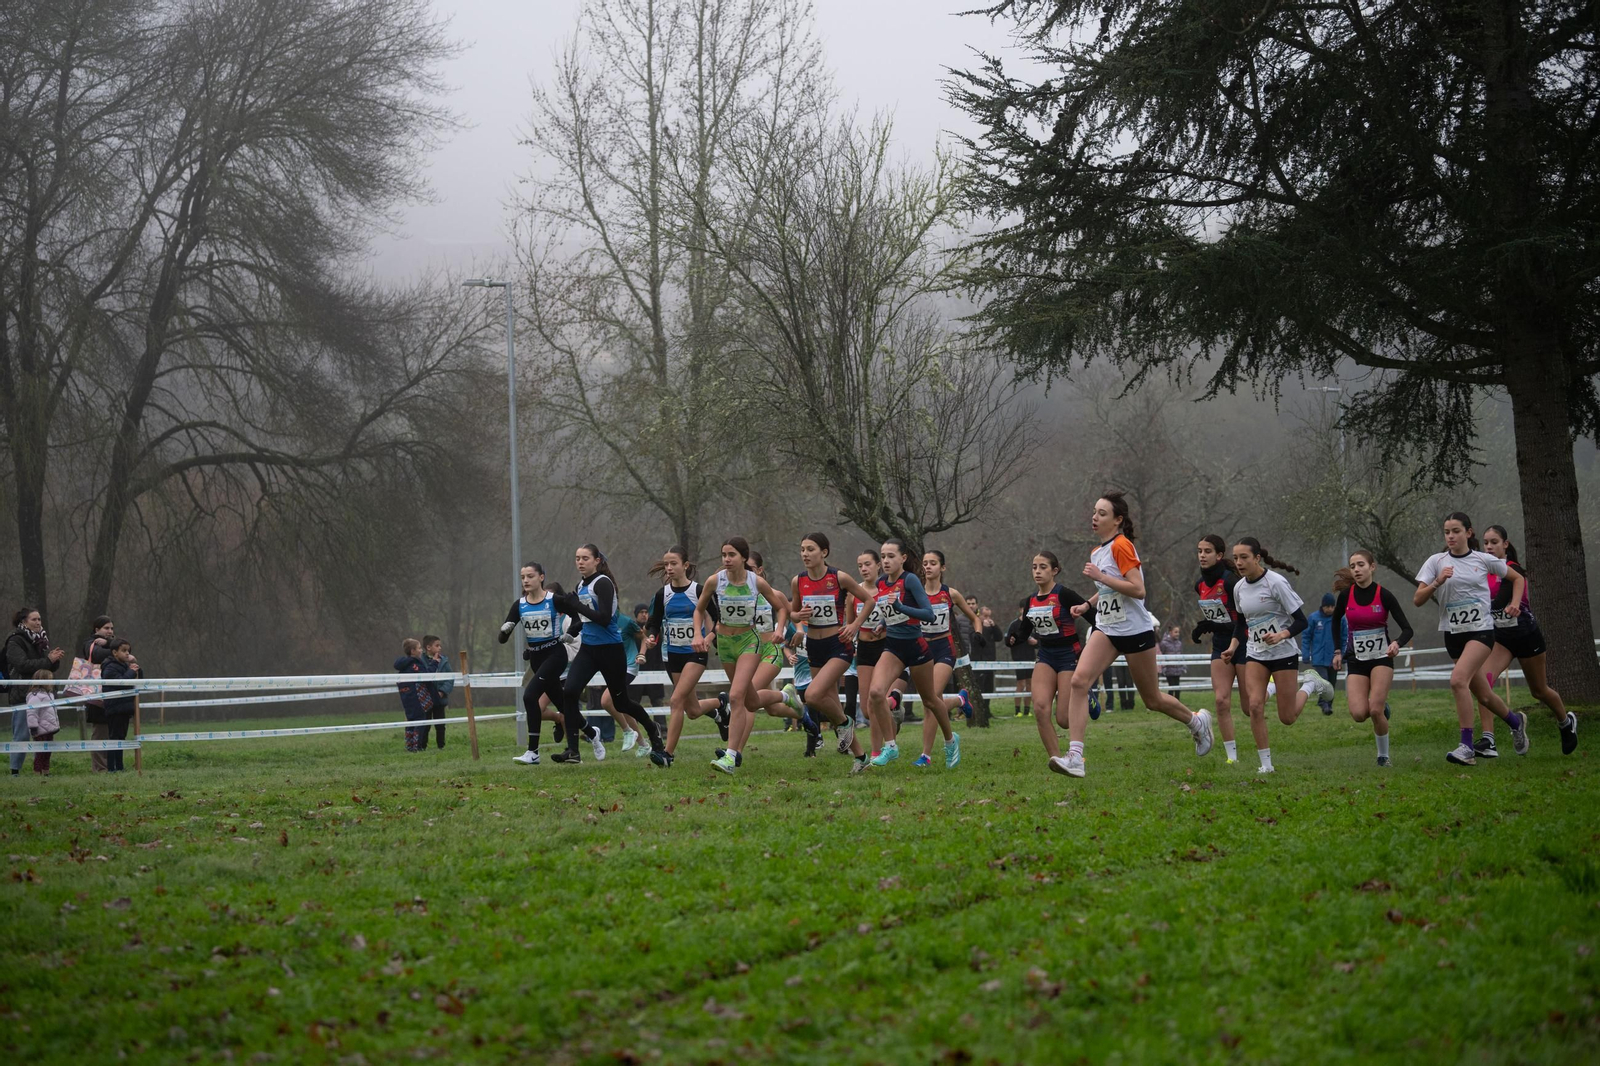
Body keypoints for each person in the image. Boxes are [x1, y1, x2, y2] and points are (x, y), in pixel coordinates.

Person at [1062, 493, 1215, 778]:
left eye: (1102, 513)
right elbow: (1109, 588)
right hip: (1107, 628)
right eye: (1094, 512)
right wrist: (1088, 604)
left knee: (1152, 700)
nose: (1095, 517)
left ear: (1118, 520)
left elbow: (1137, 589)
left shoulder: (1122, 545)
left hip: (1135, 631)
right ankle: (1075, 757)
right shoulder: (1097, 552)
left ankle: (1196, 722)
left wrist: (1101, 576)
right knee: (1079, 681)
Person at [1414, 512, 1529, 766]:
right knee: (1484, 695)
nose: (1451, 536)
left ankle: (1466, 747)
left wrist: (1514, 603)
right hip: (1453, 634)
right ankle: (1515, 722)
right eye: (1447, 532)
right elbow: (1418, 599)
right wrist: (1437, 582)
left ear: (1469, 533)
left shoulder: (1483, 559)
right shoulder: (1436, 561)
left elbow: (1518, 577)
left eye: (1456, 531)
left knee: (1457, 681)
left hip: (1481, 631)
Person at [1222, 538, 1332, 774]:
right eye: (1236, 558)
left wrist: (1281, 635)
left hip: (1283, 654)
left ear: (1257, 558)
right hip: (1256, 653)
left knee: (1288, 717)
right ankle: (1266, 765)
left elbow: (1301, 621)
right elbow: (1241, 623)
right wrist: (1232, 647)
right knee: (1254, 706)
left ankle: (1311, 684)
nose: (1239, 562)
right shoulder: (1238, 587)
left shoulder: (1276, 583)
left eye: (1244, 557)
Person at [552, 544, 668, 765]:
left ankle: (653, 730)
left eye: (585, 558)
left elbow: (605, 618)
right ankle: (573, 751)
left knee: (621, 702)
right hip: (588, 649)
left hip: (610, 649)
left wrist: (577, 605)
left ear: (597, 561)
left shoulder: (603, 583)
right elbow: (584, 618)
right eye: (577, 558)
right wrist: (572, 630)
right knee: (570, 692)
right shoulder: (581, 585)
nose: (580, 562)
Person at [692, 537, 794, 774]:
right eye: (723, 555)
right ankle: (785, 696)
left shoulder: (755, 582)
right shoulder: (714, 581)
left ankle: (731, 756)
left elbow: (780, 607)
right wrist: (698, 633)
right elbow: (699, 609)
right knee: (751, 701)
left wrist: (780, 630)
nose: (726, 559)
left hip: (750, 641)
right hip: (726, 644)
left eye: (731, 555)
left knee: (736, 696)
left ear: (743, 558)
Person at [1473, 525, 1578, 756]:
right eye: (1486, 543)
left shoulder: (1512, 569)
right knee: (1484, 684)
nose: (1489, 547)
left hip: (1526, 636)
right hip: (1502, 638)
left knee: (1539, 691)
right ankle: (1489, 739)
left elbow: (1499, 600)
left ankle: (1565, 722)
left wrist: (1498, 607)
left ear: (1505, 545)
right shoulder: (1482, 571)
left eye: (1494, 542)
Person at [866, 539, 963, 769]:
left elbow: (928, 614)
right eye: (883, 556)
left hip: (917, 648)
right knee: (876, 693)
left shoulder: (910, 580)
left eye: (891, 556)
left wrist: (900, 607)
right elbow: (888, 609)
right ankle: (890, 746)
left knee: (930, 700)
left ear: (903, 558)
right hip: (893, 647)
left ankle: (950, 741)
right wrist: (882, 622)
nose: (886, 561)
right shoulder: (880, 583)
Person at [787, 533, 871, 772]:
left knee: (812, 695)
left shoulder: (839, 577)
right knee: (830, 700)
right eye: (802, 549)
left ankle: (845, 722)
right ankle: (861, 758)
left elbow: (868, 600)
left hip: (838, 644)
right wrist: (800, 623)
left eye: (810, 549)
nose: (805, 554)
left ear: (824, 552)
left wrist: (854, 625)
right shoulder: (798, 581)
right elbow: (793, 613)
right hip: (814, 647)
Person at [646, 547, 729, 768]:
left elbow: (719, 619)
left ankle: (667, 754)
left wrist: (709, 637)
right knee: (691, 710)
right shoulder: (662, 594)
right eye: (666, 564)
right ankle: (721, 705)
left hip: (695, 653)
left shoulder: (699, 591)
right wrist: (653, 636)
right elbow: (653, 621)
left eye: (673, 563)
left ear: (685, 565)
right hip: (672, 655)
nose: (669, 568)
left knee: (675, 700)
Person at [1006, 551, 1088, 775]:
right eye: (1034, 567)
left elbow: (1093, 616)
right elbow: (1024, 632)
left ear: (1054, 571)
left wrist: (1091, 647)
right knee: (1041, 709)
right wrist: (1013, 639)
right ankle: (1058, 759)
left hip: (1068, 655)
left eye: (1043, 567)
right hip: (1046, 655)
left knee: (1063, 719)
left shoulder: (1064, 594)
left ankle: (1086, 701)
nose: (1037, 571)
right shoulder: (1031, 600)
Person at [1330, 551, 1413, 766]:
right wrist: (1337, 651)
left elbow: (1407, 629)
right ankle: (1382, 708)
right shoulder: (1346, 596)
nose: (1356, 569)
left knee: (1374, 710)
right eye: (1352, 566)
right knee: (1359, 714)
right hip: (1356, 660)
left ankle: (1383, 756)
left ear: (1372, 567)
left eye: (1360, 565)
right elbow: (1335, 620)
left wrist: (1396, 644)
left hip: (1381, 659)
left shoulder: (1384, 595)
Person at [504, 563, 572, 765]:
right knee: (561, 706)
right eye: (522, 576)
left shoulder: (558, 608)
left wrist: (571, 634)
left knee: (530, 696)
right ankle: (590, 732)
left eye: (530, 576)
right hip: (539, 662)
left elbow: (576, 623)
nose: (525, 580)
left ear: (541, 577)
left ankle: (533, 751)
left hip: (559, 661)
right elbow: (519, 633)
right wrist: (507, 632)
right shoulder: (522, 605)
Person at [914, 550, 977, 766]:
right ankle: (960, 700)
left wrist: (978, 633)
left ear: (942, 567)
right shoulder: (915, 593)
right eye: (925, 563)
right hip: (923, 649)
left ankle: (926, 755)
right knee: (929, 702)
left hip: (944, 648)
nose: (928, 567)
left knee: (932, 696)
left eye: (933, 563)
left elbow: (973, 618)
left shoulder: (951, 594)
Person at [1193, 534, 1245, 764]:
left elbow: (1243, 621)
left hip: (1242, 643)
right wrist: (1207, 625)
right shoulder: (1200, 585)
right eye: (1199, 551)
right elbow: (1216, 616)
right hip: (1220, 646)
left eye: (1207, 551)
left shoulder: (1232, 582)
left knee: (1249, 706)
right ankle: (1231, 757)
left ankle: (1271, 689)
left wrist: (1211, 624)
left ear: (1220, 555)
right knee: (1221, 701)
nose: (1202, 556)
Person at [6, 607, 64, 776]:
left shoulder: (41, 640)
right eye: (34, 619)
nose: (38, 622)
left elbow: (46, 665)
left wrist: (54, 660)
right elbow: (23, 666)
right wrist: (47, 660)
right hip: (23, 694)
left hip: (44, 695)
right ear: (23, 622)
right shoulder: (14, 641)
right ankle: (15, 771)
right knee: (22, 735)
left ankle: (42, 770)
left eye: (39, 619)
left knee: (45, 734)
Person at [75, 617, 115, 772]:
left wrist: (109, 643)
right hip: (96, 695)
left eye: (112, 628)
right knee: (100, 733)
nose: (110, 631)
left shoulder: (110, 642)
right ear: (96, 630)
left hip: (110, 695)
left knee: (111, 733)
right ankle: (99, 768)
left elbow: (126, 648)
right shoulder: (89, 643)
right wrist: (113, 647)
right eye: (106, 628)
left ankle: (110, 766)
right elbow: (98, 656)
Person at [98, 639, 141, 773]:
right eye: (124, 650)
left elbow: (137, 681)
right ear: (115, 652)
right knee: (114, 738)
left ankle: (120, 765)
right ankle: (112, 767)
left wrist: (137, 670)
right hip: (115, 707)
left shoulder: (124, 665)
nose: (127, 653)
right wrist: (131, 673)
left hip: (124, 707)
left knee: (121, 737)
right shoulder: (109, 667)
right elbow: (120, 682)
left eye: (128, 651)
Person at [1299, 592, 1342, 715]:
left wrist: (1343, 654)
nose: (1330, 609)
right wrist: (1306, 654)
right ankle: (1324, 704)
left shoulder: (1339, 619)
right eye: (1327, 606)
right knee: (1324, 680)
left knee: (1332, 682)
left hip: (1334, 657)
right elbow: (1306, 637)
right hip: (1319, 657)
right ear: (1322, 606)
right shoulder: (1313, 618)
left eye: (1332, 606)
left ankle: (1327, 704)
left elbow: (1344, 637)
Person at [393, 637, 433, 753]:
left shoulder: (404, 666)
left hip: (406, 698)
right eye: (419, 648)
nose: (421, 650)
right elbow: (426, 677)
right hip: (416, 698)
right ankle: (416, 746)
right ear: (413, 651)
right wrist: (434, 664)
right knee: (420, 720)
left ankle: (409, 745)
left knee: (410, 721)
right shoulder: (415, 665)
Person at [1005, 599, 1037, 716]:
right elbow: (1007, 641)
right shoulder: (1014, 625)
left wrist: (1036, 642)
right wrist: (1011, 641)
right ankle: (1017, 711)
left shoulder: (1033, 623)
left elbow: (1040, 641)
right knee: (1020, 684)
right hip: (1018, 658)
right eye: (1024, 609)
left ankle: (1027, 711)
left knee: (1030, 684)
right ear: (1020, 610)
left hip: (1030, 658)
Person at [26, 670, 62, 775]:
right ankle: (37, 772)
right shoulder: (35, 696)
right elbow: (32, 712)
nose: (52, 682)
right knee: (40, 753)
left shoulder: (50, 694)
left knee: (47, 752)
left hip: (49, 729)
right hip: (39, 730)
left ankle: (46, 772)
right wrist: (33, 727)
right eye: (49, 680)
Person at [420, 635, 452, 749]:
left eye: (440, 645)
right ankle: (422, 746)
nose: (440, 648)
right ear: (428, 647)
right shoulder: (420, 661)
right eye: (437, 645)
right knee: (425, 724)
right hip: (426, 699)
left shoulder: (444, 661)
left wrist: (442, 691)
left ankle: (441, 746)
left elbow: (450, 678)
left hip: (440, 699)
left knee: (440, 725)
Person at [1159, 625, 1184, 698]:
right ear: (1170, 632)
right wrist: (1163, 667)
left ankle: (1178, 703)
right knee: (1171, 687)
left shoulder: (1179, 643)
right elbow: (1162, 654)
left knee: (1177, 688)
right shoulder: (1164, 643)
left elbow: (1180, 654)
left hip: (1177, 668)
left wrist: (1183, 666)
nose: (1177, 634)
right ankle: (1170, 703)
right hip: (1169, 669)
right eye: (1175, 632)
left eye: (1178, 632)